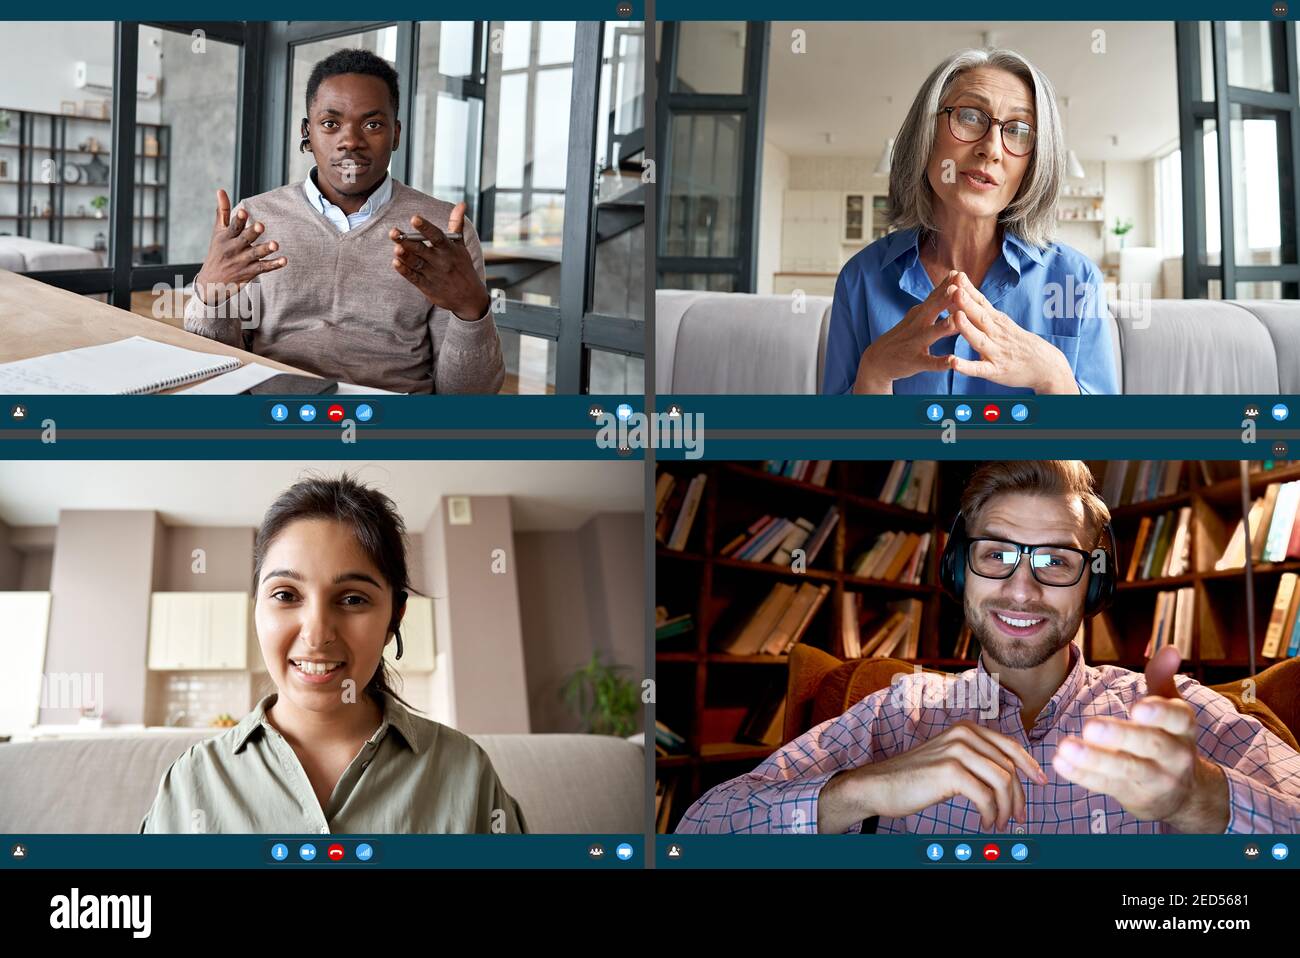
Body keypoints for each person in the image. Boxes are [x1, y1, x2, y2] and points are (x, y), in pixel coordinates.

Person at [677, 461, 1300, 834]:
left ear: (1095, 583)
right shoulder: (897, 711)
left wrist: (1202, 797)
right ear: (958, 572)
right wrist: (862, 789)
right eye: (996, 555)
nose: (1021, 589)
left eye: (1056, 559)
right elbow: (699, 832)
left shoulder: (1173, 710)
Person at [140, 474, 525, 833]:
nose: (317, 633)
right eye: (286, 595)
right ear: (257, 607)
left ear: (395, 616)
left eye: (353, 599)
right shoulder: (192, 781)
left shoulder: (466, 773)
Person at [184, 49, 505, 394]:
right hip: (278, 408)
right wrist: (210, 293)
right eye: (330, 124)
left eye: (373, 124)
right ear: (307, 134)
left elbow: (469, 396)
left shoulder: (445, 233)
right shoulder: (254, 218)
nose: (350, 141)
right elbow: (218, 365)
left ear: (396, 135)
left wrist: (472, 310)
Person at [821, 49, 1119, 396]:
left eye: (1019, 130)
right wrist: (874, 373)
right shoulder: (861, 279)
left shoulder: (1077, 280)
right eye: (969, 116)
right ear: (926, 135)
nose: (991, 149)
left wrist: (1054, 376)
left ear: (1034, 163)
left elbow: (1102, 445)